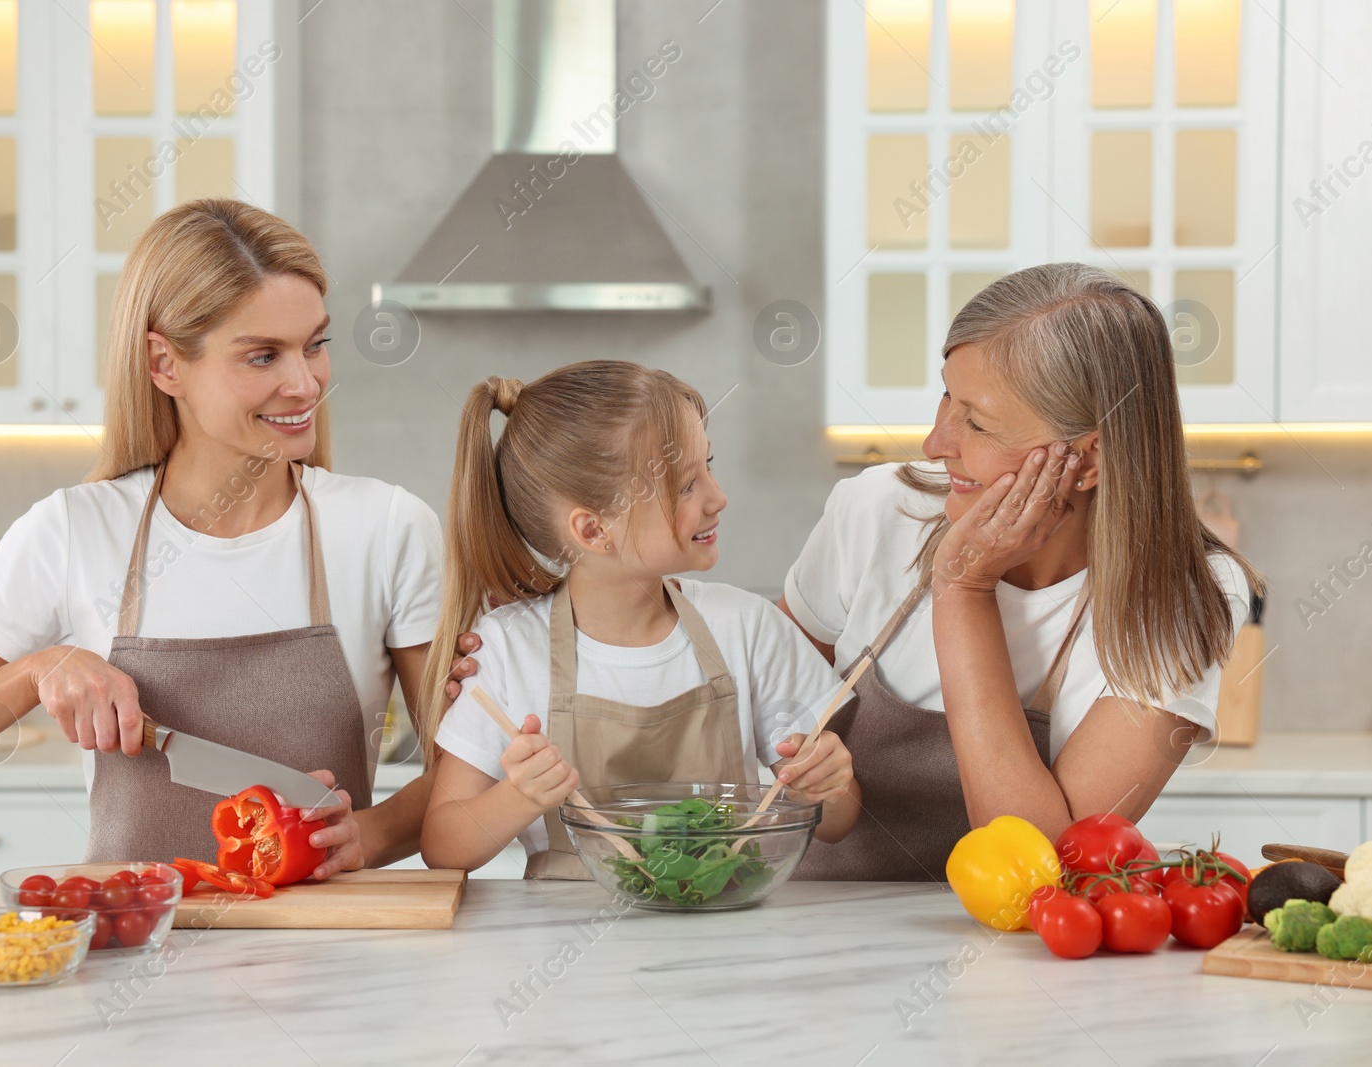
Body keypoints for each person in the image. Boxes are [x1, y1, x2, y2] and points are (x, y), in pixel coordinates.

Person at [0, 199, 442, 877]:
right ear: (164, 364)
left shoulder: (386, 528)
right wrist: (33, 671)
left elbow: (469, 769)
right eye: (262, 355)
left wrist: (369, 835)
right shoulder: (74, 531)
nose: (304, 381)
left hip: (326, 961)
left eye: (315, 344)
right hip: (130, 954)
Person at [778, 263, 1266, 879]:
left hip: (1020, 962)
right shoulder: (876, 512)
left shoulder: (1181, 597)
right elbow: (761, 703)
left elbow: (1050, 863)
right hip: (808, 941)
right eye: (946, 399)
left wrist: (964, 589)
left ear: (1087, 459)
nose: (934, 442)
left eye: (976, 422)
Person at [418, 361, 857, 879]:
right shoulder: (508, 650)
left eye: (708, 467)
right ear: (592, 529)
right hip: (563, 941)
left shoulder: (748, 628)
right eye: (685, 485)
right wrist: (518, 796)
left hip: (728, 941)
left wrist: (826, 785)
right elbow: (442, 846)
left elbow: (838, 821)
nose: (718, 497)